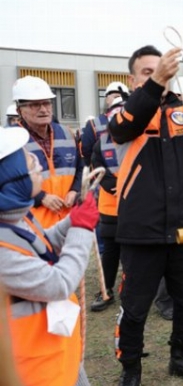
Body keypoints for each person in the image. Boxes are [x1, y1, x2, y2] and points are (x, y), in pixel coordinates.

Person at [109, 45, 183, 385]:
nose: (157, 75)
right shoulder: (125, 111)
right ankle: (131, 367)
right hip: (141, 230)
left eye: (160, 70)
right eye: (147, 72)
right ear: (132, 79)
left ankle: (180, 355)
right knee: (135, 307)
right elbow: (121, 129)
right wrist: (155, 84)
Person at [0, 125, 99, 386]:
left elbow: (42, 244)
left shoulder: (15, 217)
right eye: (32, 169)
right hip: (31, 370)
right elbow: (58, 284)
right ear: (12, 179)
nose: (39, 171)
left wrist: (71, 222)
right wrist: (82, 230)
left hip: (56, 352)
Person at [14, 76, 83, 229]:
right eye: (34, 105)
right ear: (20, 110)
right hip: (30, 226)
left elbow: (80, 167)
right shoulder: (10, 140)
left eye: (46, 103)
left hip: (67, 222)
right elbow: (5, 183)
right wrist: (41, 197)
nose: (43, 109)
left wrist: (74, 190)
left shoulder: (67, 133)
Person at [89, 96, 125, 312]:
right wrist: (122, 188)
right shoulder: (99, 144)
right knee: (110, 251)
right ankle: (106, 289)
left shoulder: (140, 140)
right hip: (110, 207)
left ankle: (130, 291)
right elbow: (98, 173)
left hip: (137, 207)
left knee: (135, 253)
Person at [81, 82, 129, 166]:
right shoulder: (94, 124)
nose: (119, 98)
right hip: (105, 175)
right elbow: (86, 151)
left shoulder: (134, 119)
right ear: (107, 99)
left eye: (121, 96)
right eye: (116, 96)